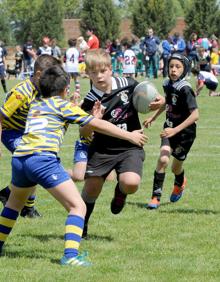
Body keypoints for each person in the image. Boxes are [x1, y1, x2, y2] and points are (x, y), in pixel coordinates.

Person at [0, 65, 148, 265]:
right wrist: (129, 135)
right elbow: (98, 126)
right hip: (42, 160)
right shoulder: (62, 106)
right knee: (77, 206)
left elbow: (67, 121)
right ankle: (70, 257)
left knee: (13, 205)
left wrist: (85, 114)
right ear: (65, 90)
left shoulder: (36, 104)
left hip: (20, 158)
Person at [78, 49, 164, 238]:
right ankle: (81, 227)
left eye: (102, 70)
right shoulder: (90, 101)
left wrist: (158, 101)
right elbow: (83, 132)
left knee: (131, 183)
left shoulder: (128, 84)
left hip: (129, 146)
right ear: (87, 73)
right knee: (92, 187)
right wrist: (93, 120)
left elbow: (153, 96)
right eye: (93, 72)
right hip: (102, 148)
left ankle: (120, 192)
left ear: (111, 69)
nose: (98, 76)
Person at [0, 54, 62, 218]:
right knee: (33, 160)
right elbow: (0, 118)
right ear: (39, 74)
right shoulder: (21, 93)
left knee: (35, 162)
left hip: (29, 132)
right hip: (11, 132)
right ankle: (25, 206)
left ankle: (12, 196)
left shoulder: (43, 89)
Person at [144, 53, 199, 209]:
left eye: (178, 67)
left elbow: (195, 115)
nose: (173, 70)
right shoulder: (168, 83)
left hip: (185, 134)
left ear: (185, 69)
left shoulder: (186, 88)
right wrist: (153, 118)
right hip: (169, 129)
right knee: (163, 160)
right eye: (171, 66)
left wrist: (175, 130)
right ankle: (155, 197)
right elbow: (168, 103)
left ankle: (180, 181)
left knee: (176, 168)